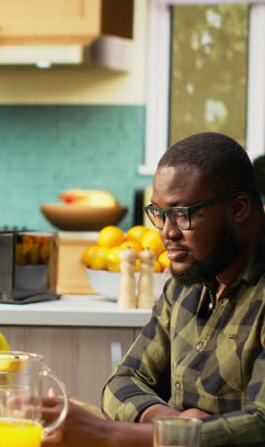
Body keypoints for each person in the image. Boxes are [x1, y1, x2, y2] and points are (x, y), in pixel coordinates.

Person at [41, 132, 265, 447]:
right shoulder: (186, 284)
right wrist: (170, 425)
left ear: (239, 208)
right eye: (159, 215)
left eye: (182, 214)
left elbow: (260, 425)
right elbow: (123, 380)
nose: (166, 233)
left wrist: (106, 433)